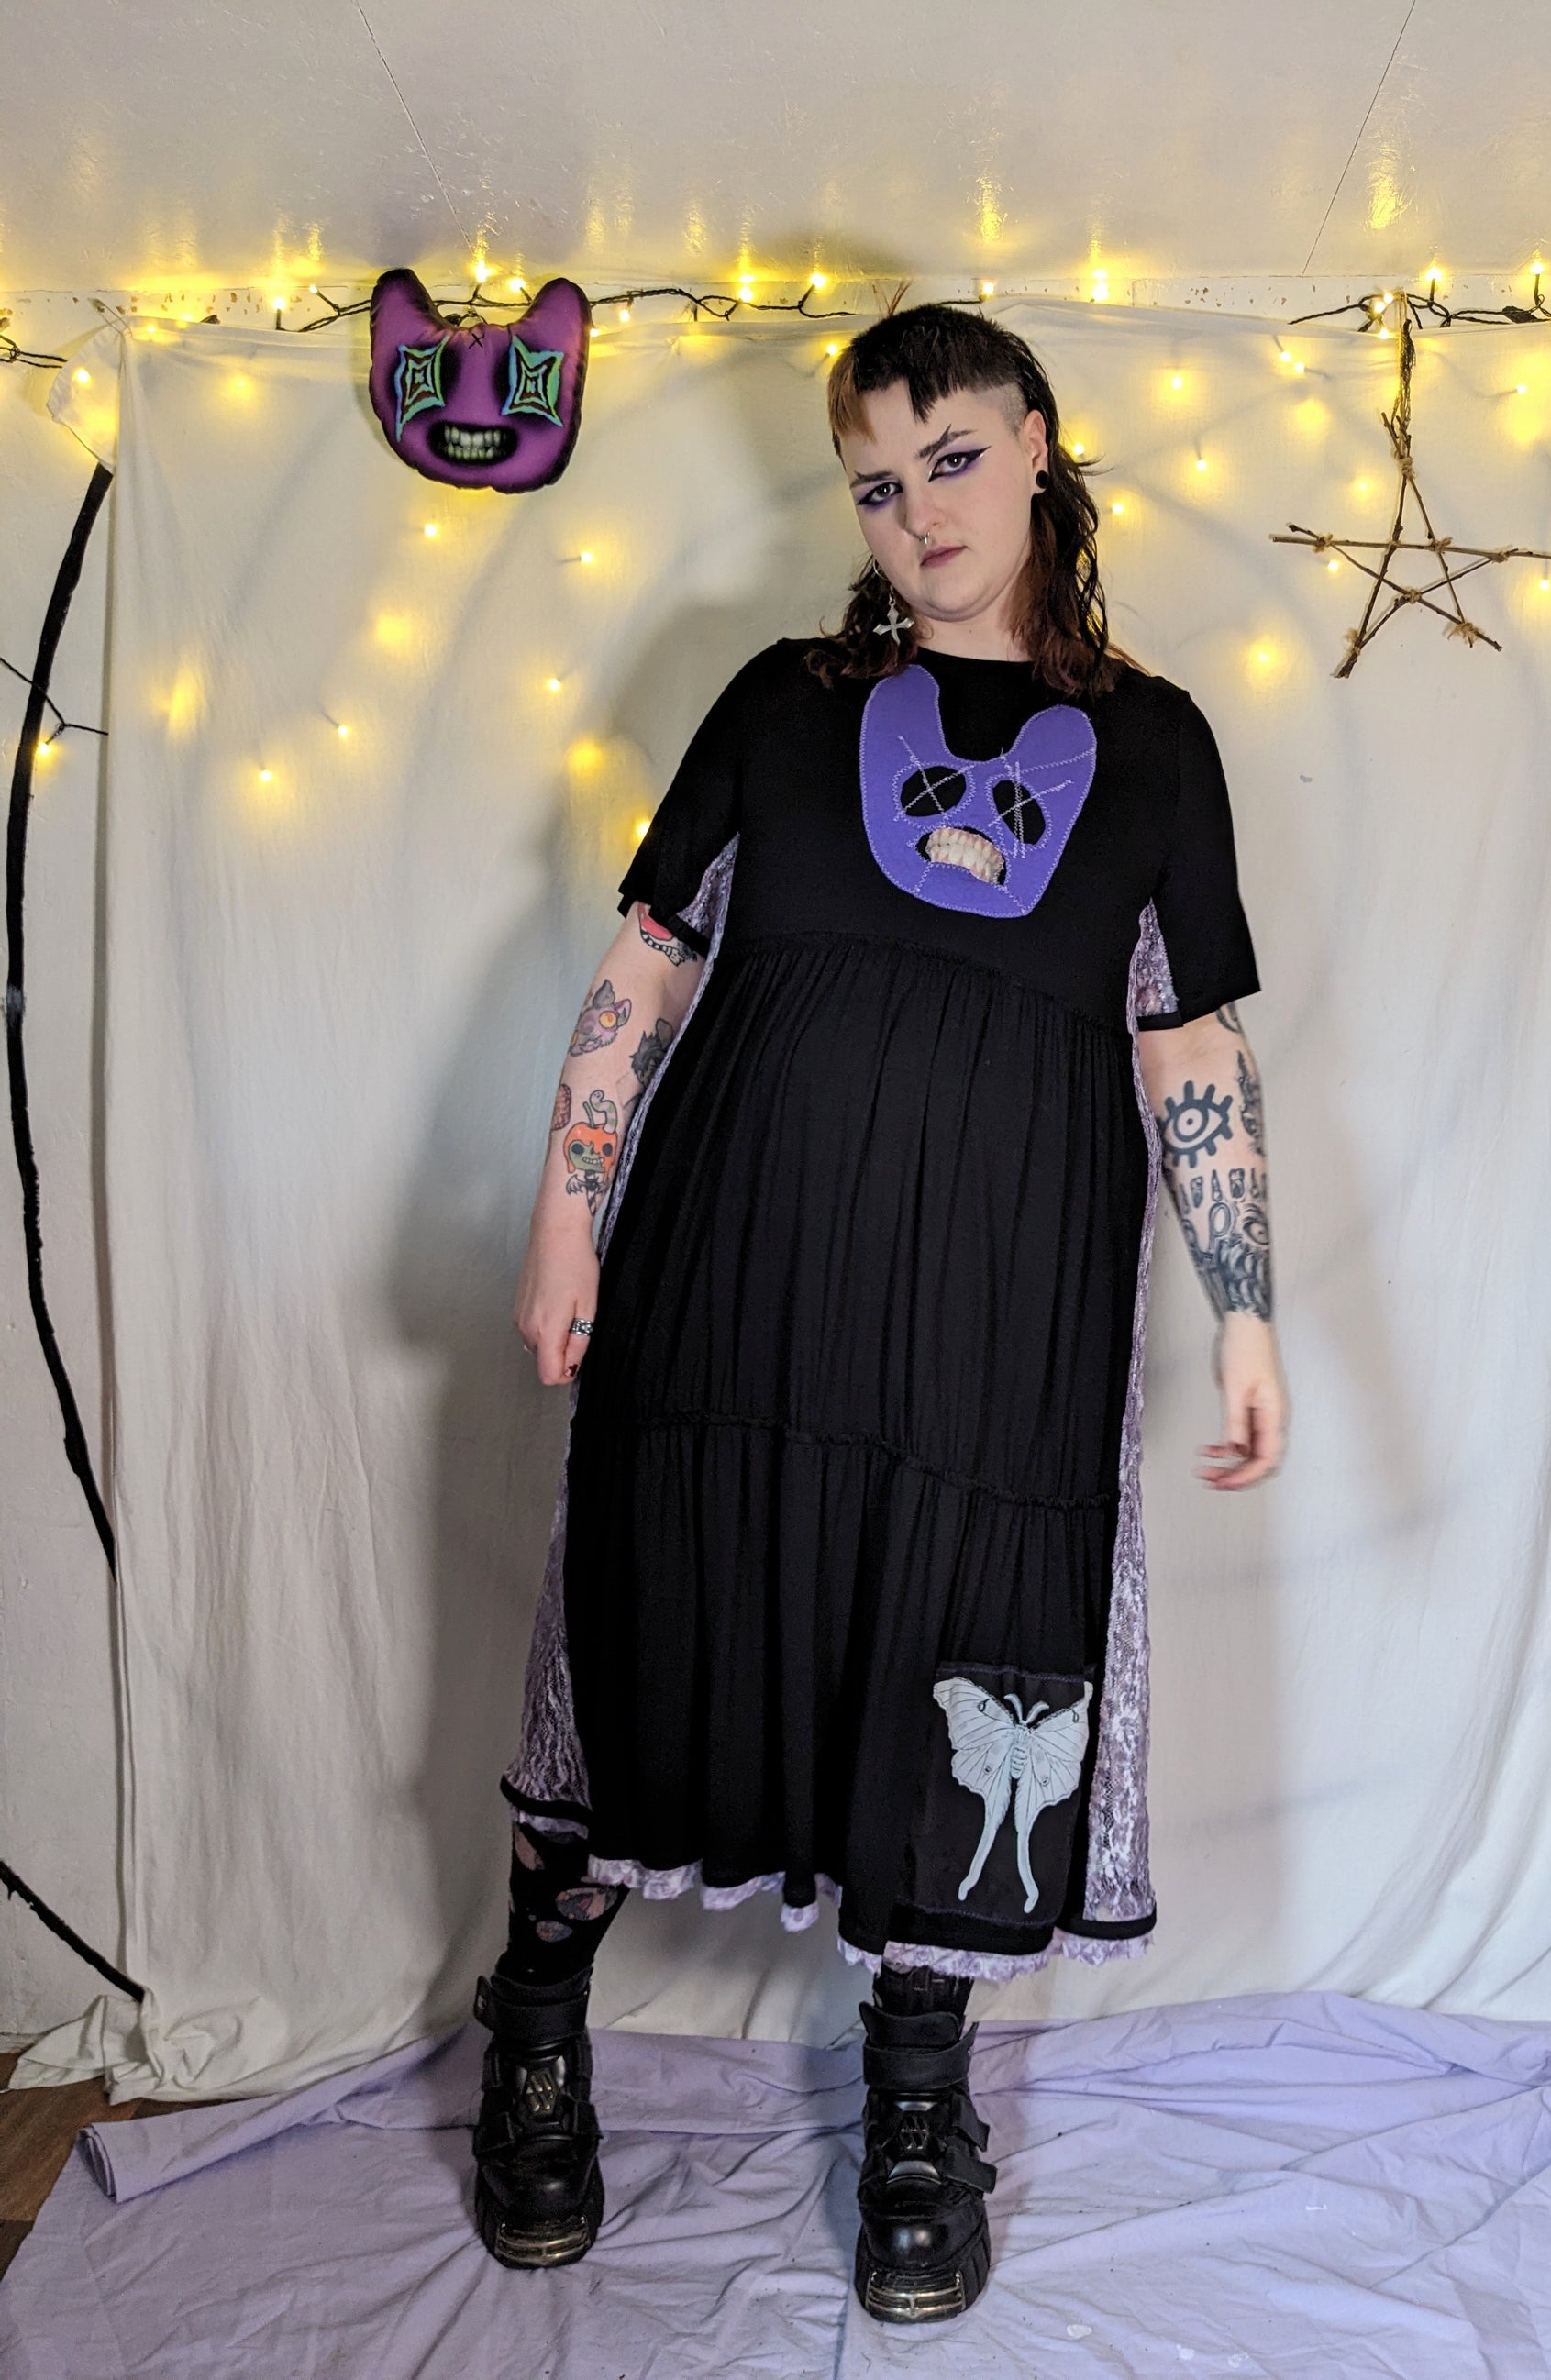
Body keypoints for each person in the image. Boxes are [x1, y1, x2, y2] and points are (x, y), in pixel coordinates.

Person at [470, 293, 1288, 2320]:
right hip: (733, 1289)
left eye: (949, 458)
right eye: (872, 481)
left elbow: (1189, 1045)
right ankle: (537, 2021)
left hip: (1002, 1326)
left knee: (967, 1670)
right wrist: (568, 1215)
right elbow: (645, 966)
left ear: (1035, 447)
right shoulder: (779, 702)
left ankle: (919, 2098)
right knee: (654, 1640)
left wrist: (1247, 1309)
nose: (916, 511)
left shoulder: (1158, 747)